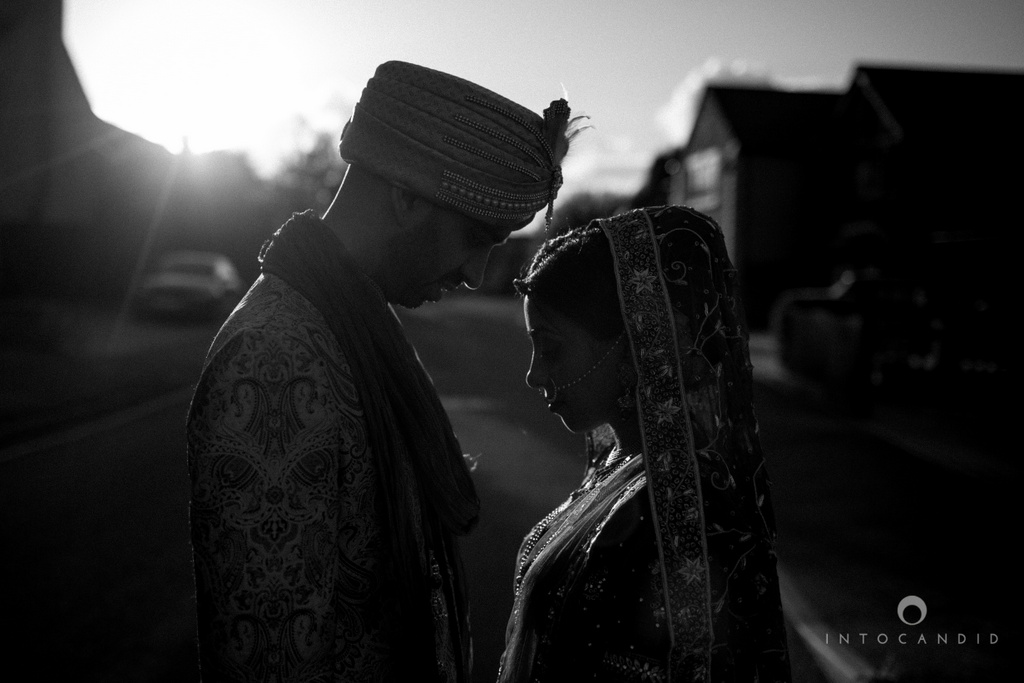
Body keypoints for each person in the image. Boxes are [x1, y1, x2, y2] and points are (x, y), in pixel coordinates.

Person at [186, 60, 581, 682]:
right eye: (477, 237)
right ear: (405, 195)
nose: (477, 273)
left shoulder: (349, 322)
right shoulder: (274, 358)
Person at [499, 205, 792, 682]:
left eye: (550, 347)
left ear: (634, 344)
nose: (533, 375)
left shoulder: (687, 512)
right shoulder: (623, 466)